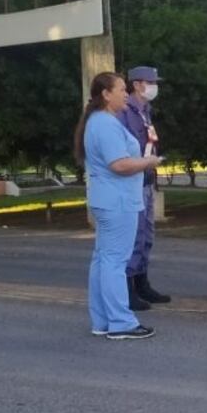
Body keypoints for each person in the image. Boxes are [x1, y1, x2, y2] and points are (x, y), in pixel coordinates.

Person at [74, 72, 163, 340]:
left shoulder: (99, 121)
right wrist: (149, 162)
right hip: (118, 202)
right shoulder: (105, 124)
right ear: (106, 94)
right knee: (114, 262)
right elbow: (120, 164)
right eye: (121, 89)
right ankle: (121, 322)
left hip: (107, 200)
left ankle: (102, 320)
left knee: (103, 260)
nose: (126, 94)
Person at [119, 65, 171, 311]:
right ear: (138, 84)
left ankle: (142, 282)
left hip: (147, 179)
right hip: (133, 180)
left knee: (147, 234)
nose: (154, 87)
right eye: (151, 83)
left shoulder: (145, 110)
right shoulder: (125, 111)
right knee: (135, 235)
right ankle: (128, 288)